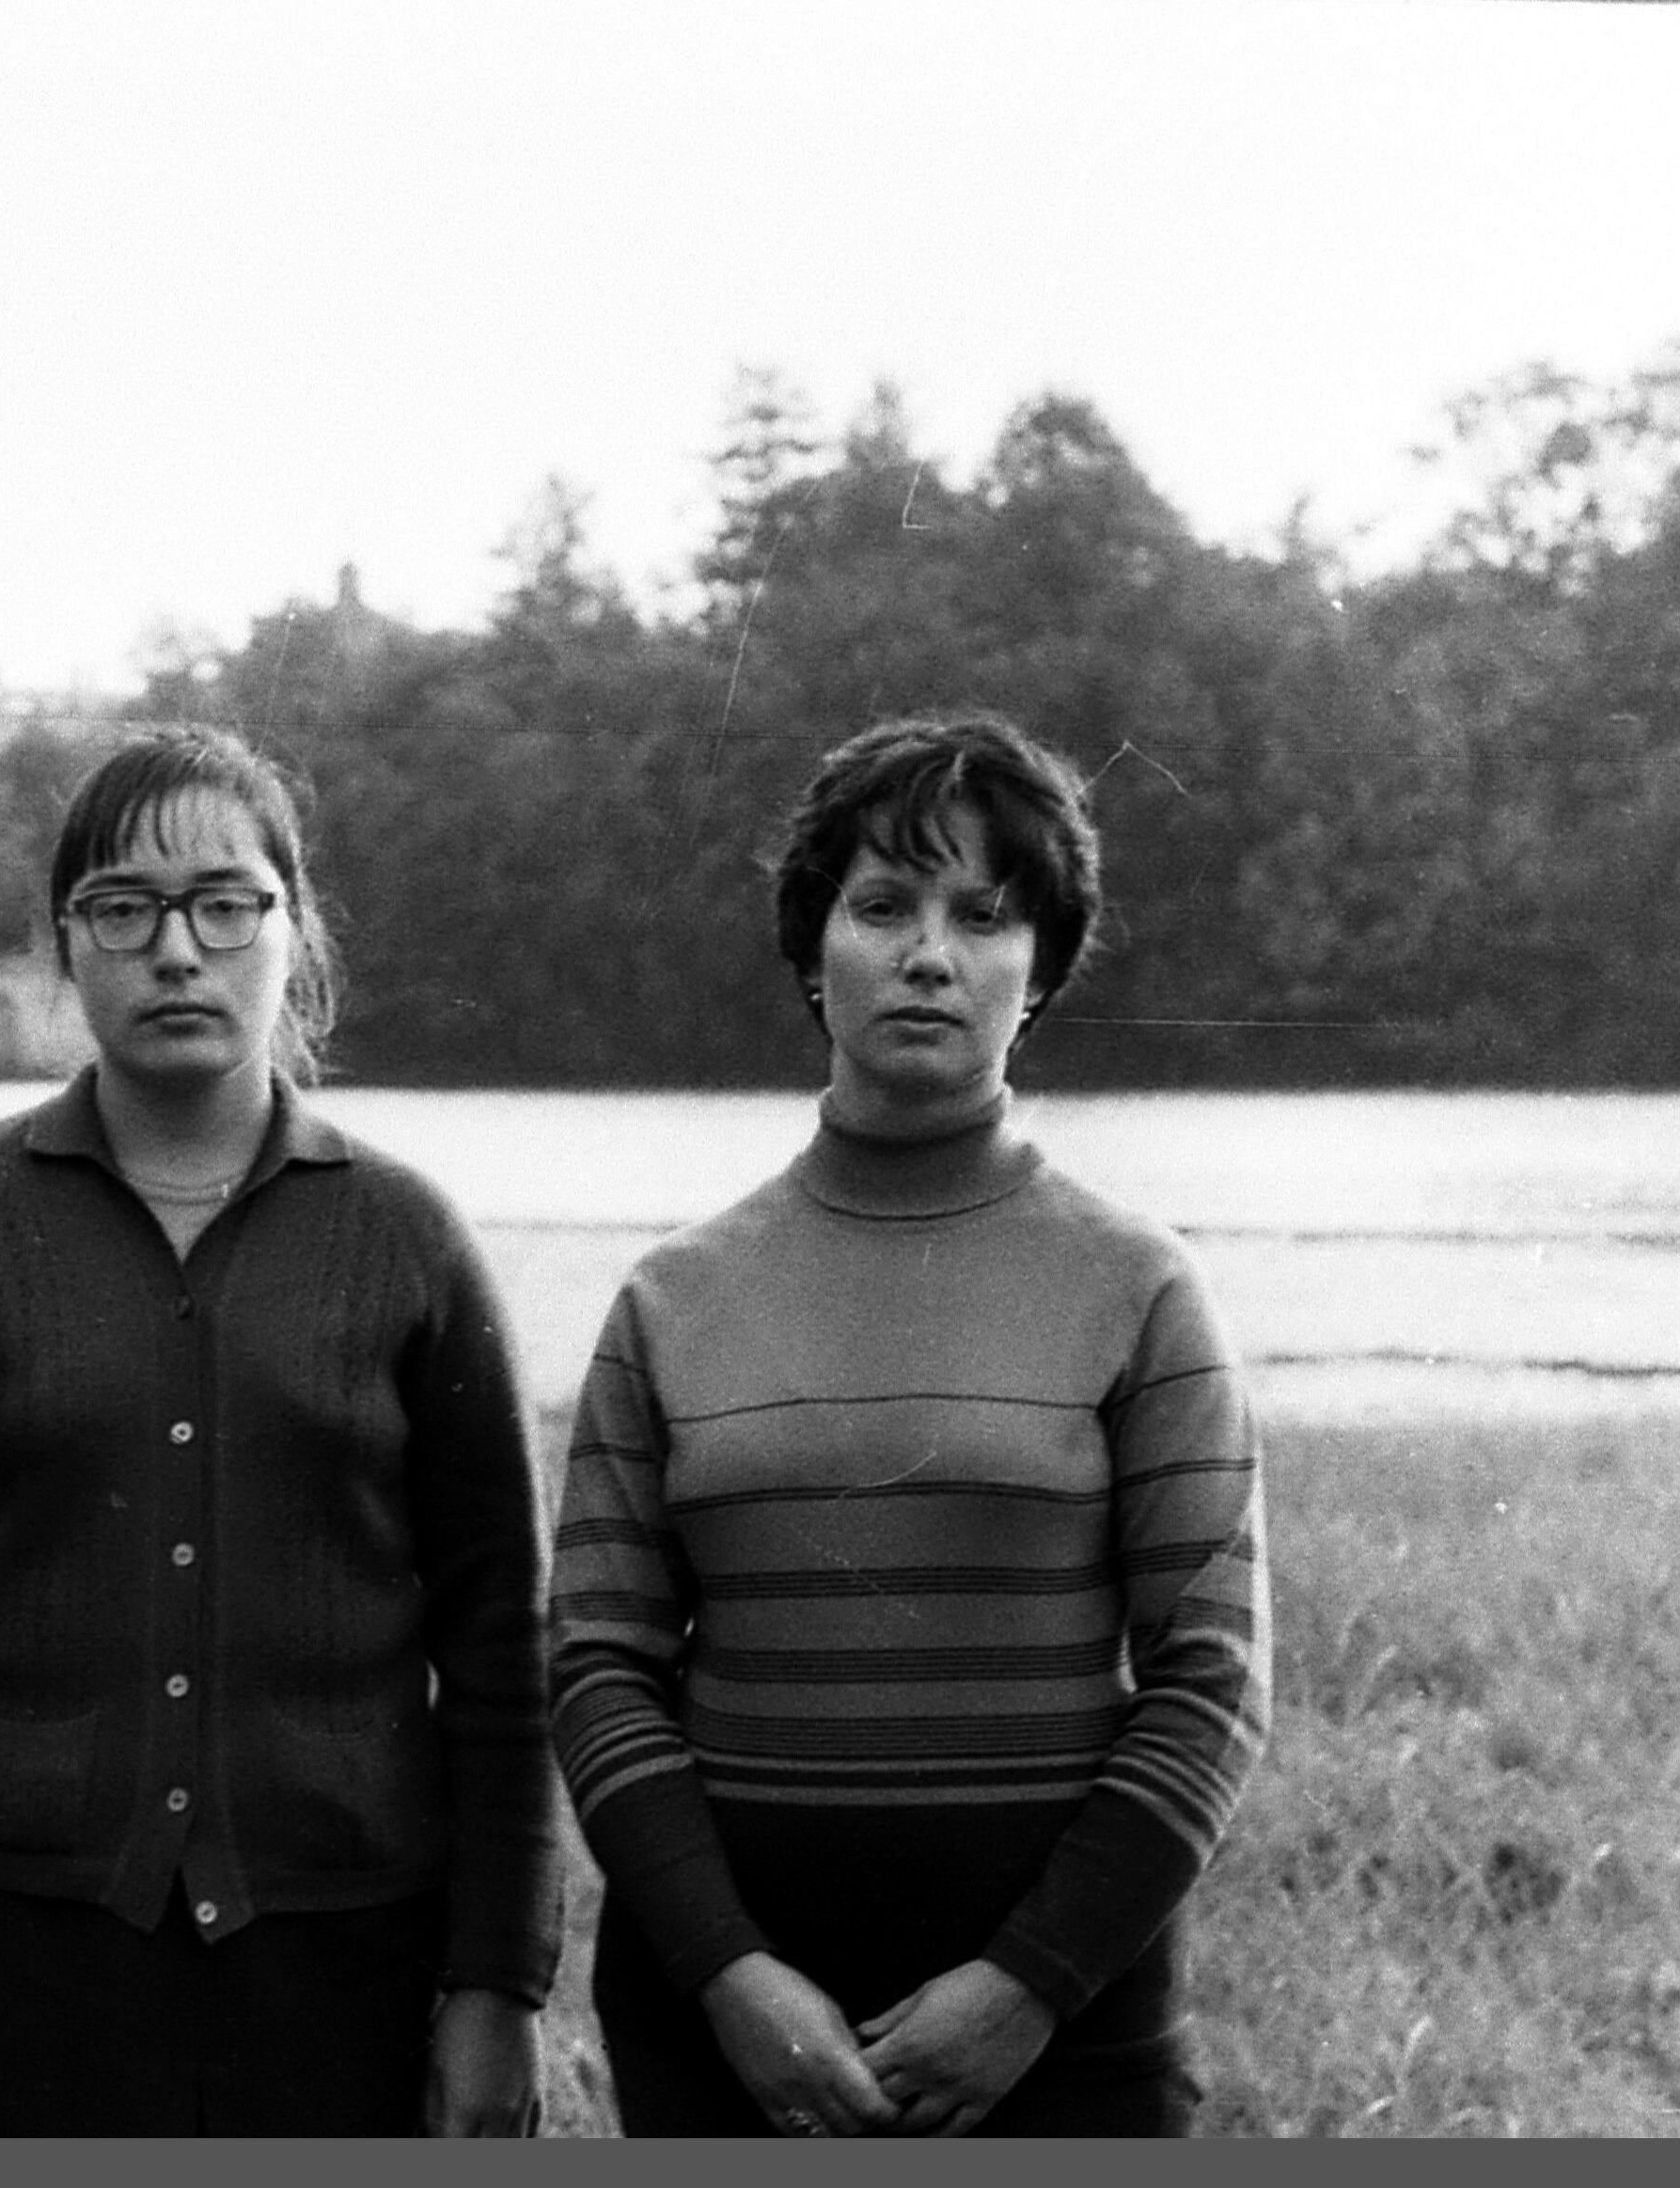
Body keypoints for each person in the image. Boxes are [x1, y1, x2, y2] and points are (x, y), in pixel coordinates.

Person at [0, 725, 560, 2137]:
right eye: (122, 909)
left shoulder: (406, 1240)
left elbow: (503, 1645)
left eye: (223, 905)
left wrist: (497, 1982)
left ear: (292, 928)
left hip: (344, 1963)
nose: (174, 952)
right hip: (13, 1957)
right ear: (64, 944)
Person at [549, 709, 1270, 2138]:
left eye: (982, 916)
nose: (929, 954)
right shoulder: (671, 1298)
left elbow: (1214, 1681)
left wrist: (1025, 1988)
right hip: (726, 2038)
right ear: (811, 953)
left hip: (1062, 2037)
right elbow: (597, 1667)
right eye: (881, 906)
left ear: (1039, 971)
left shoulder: (1140, 1286)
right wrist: (731, 1977)